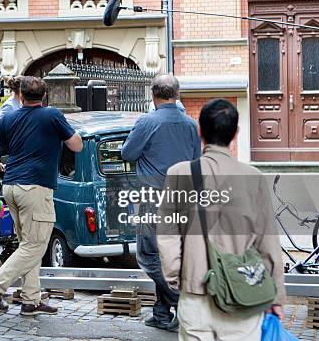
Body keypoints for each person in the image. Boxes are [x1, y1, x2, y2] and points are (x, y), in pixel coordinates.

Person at [157, 99, 286, 340]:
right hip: (242, 298)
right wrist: (276, 296)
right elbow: (268, 244)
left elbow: (167, 235)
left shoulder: (179, 174)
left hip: (195, 296)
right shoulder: (253, 178)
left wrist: (176, 276)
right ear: (235, 133)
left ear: (199, 131)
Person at [0, 76, 83, 315]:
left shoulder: (10, 117)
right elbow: (77, 146)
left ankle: (30, 300)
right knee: (35, 245)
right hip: (35, 188)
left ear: (21, 96)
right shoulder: (52, 115)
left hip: (11, 187)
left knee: (28, 245)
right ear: (44, 97)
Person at [121, 74, 201, 332]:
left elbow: (127, 153)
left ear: (153, 95)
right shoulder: (190, 125)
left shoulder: (147, 121)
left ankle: (182, 303)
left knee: (148, 256)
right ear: (177, 95)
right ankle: (162, 314)